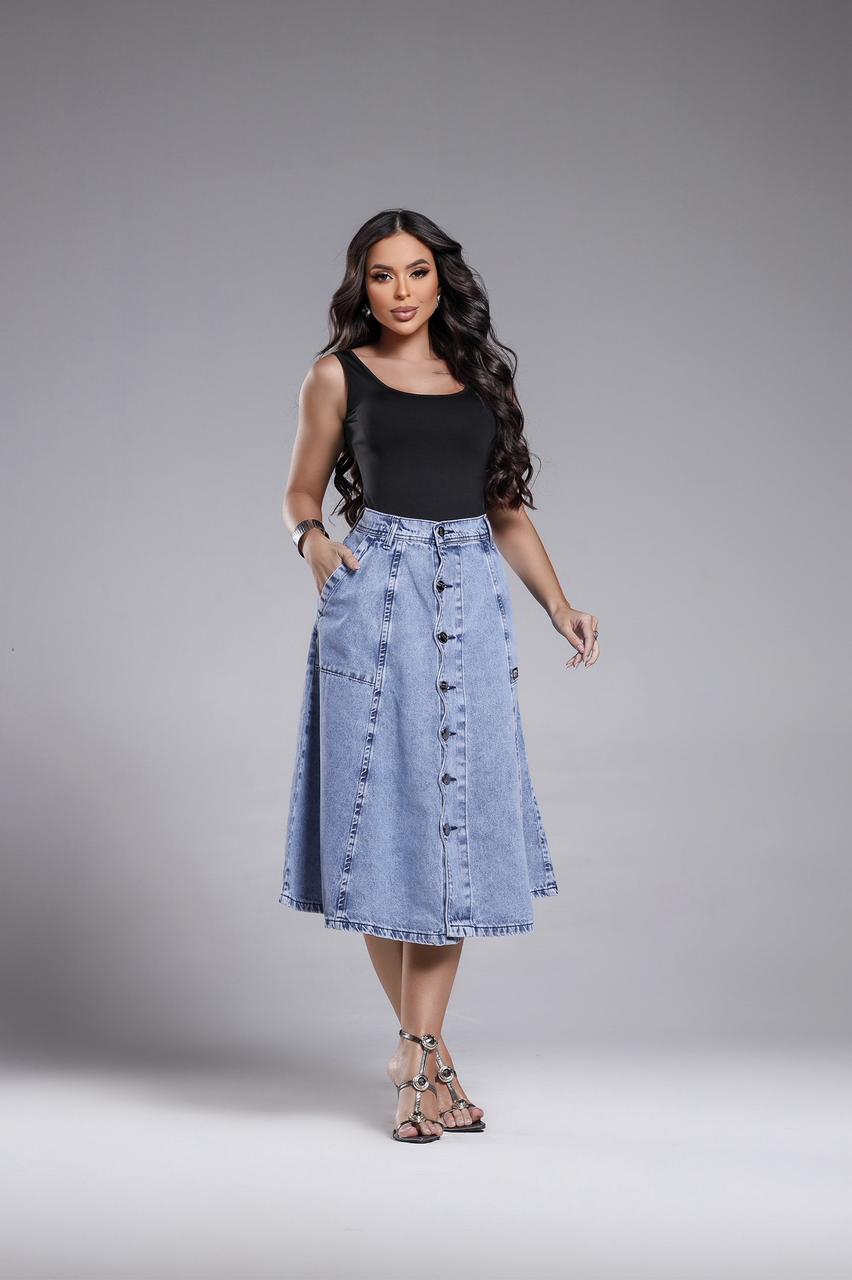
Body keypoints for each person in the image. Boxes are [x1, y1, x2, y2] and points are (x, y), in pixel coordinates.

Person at [279, 208, 599, 1143]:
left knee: (455, 822)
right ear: (362, 286)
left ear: (441, 279)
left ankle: (417, 1054)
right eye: (383, 275)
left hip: (472, 599)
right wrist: (311, 540)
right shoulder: (335, 375)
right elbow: (299, 488)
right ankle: (426, 1060)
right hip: (376, 596)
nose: (402, 291)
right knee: (384, 825)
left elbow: (505, 509)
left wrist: (559, 604)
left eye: (416, 272)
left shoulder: (480, 379)